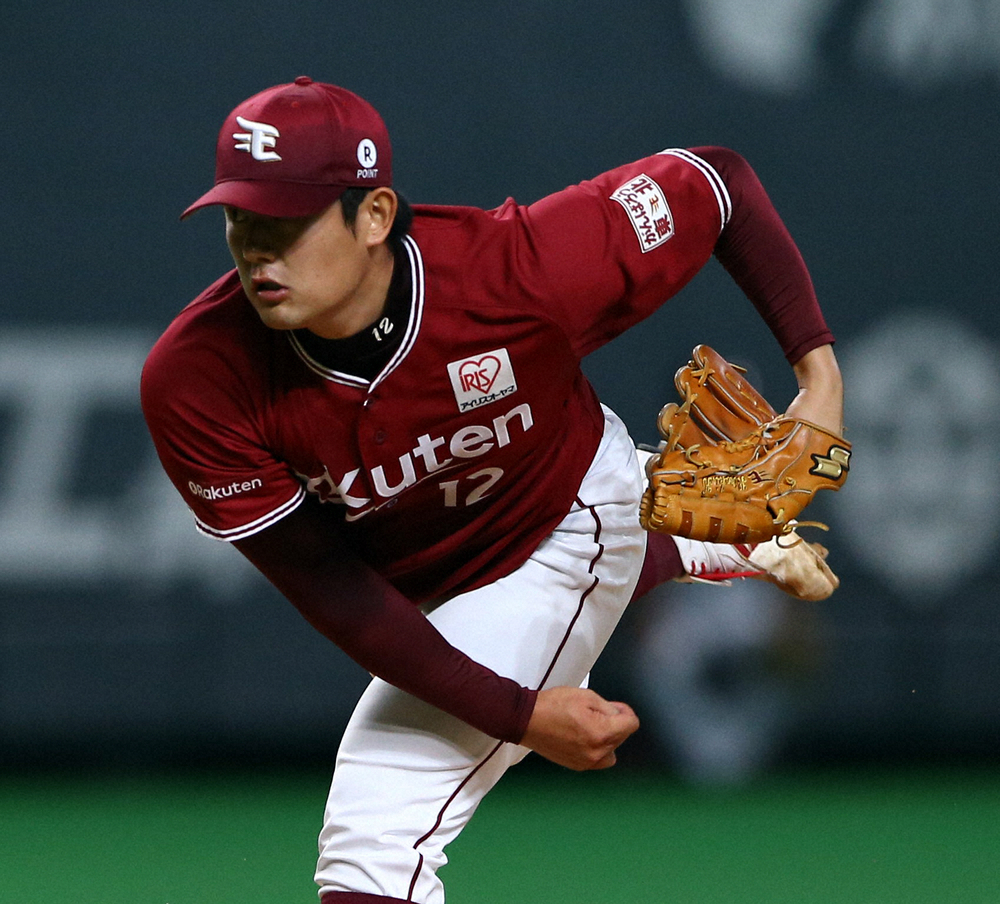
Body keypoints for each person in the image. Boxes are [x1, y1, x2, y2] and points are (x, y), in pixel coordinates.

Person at [141, 76, 844, 903]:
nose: (258, 249)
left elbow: (717, 181)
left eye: (286, 221)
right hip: (427, 573)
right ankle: (680, 536)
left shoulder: (516, 271)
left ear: (374, 215)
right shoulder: (197, 379)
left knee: (374, 836)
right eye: (240, 218)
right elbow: (337, 591)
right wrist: (520, 713)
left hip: (559, 526)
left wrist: (820, 378)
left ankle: (640, 532)